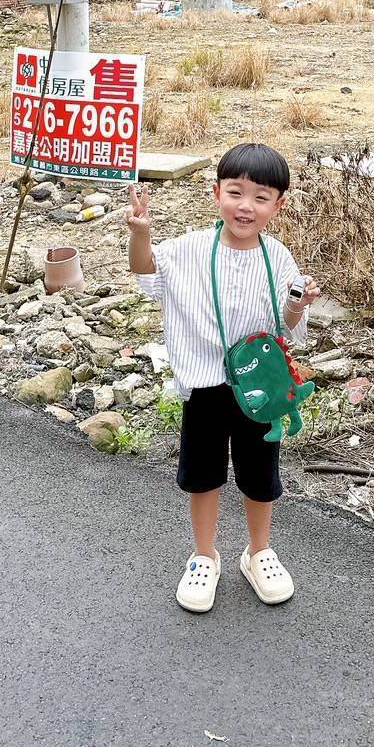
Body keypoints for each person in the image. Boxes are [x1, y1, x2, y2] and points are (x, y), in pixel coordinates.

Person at [126, 141, 321, 613]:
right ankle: (203, 555)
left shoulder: (279, 258)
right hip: (205, 384)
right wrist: (141, 233)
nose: (246, 206)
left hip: (261, 389)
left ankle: (259, 552)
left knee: (260, 474)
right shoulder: (191, 249)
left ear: (279, 204)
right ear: (216, 194)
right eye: (236, 192)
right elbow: (145, 270)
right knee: (204, 475)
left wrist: (298, 303)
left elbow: (289, 329)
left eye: (261, 197)